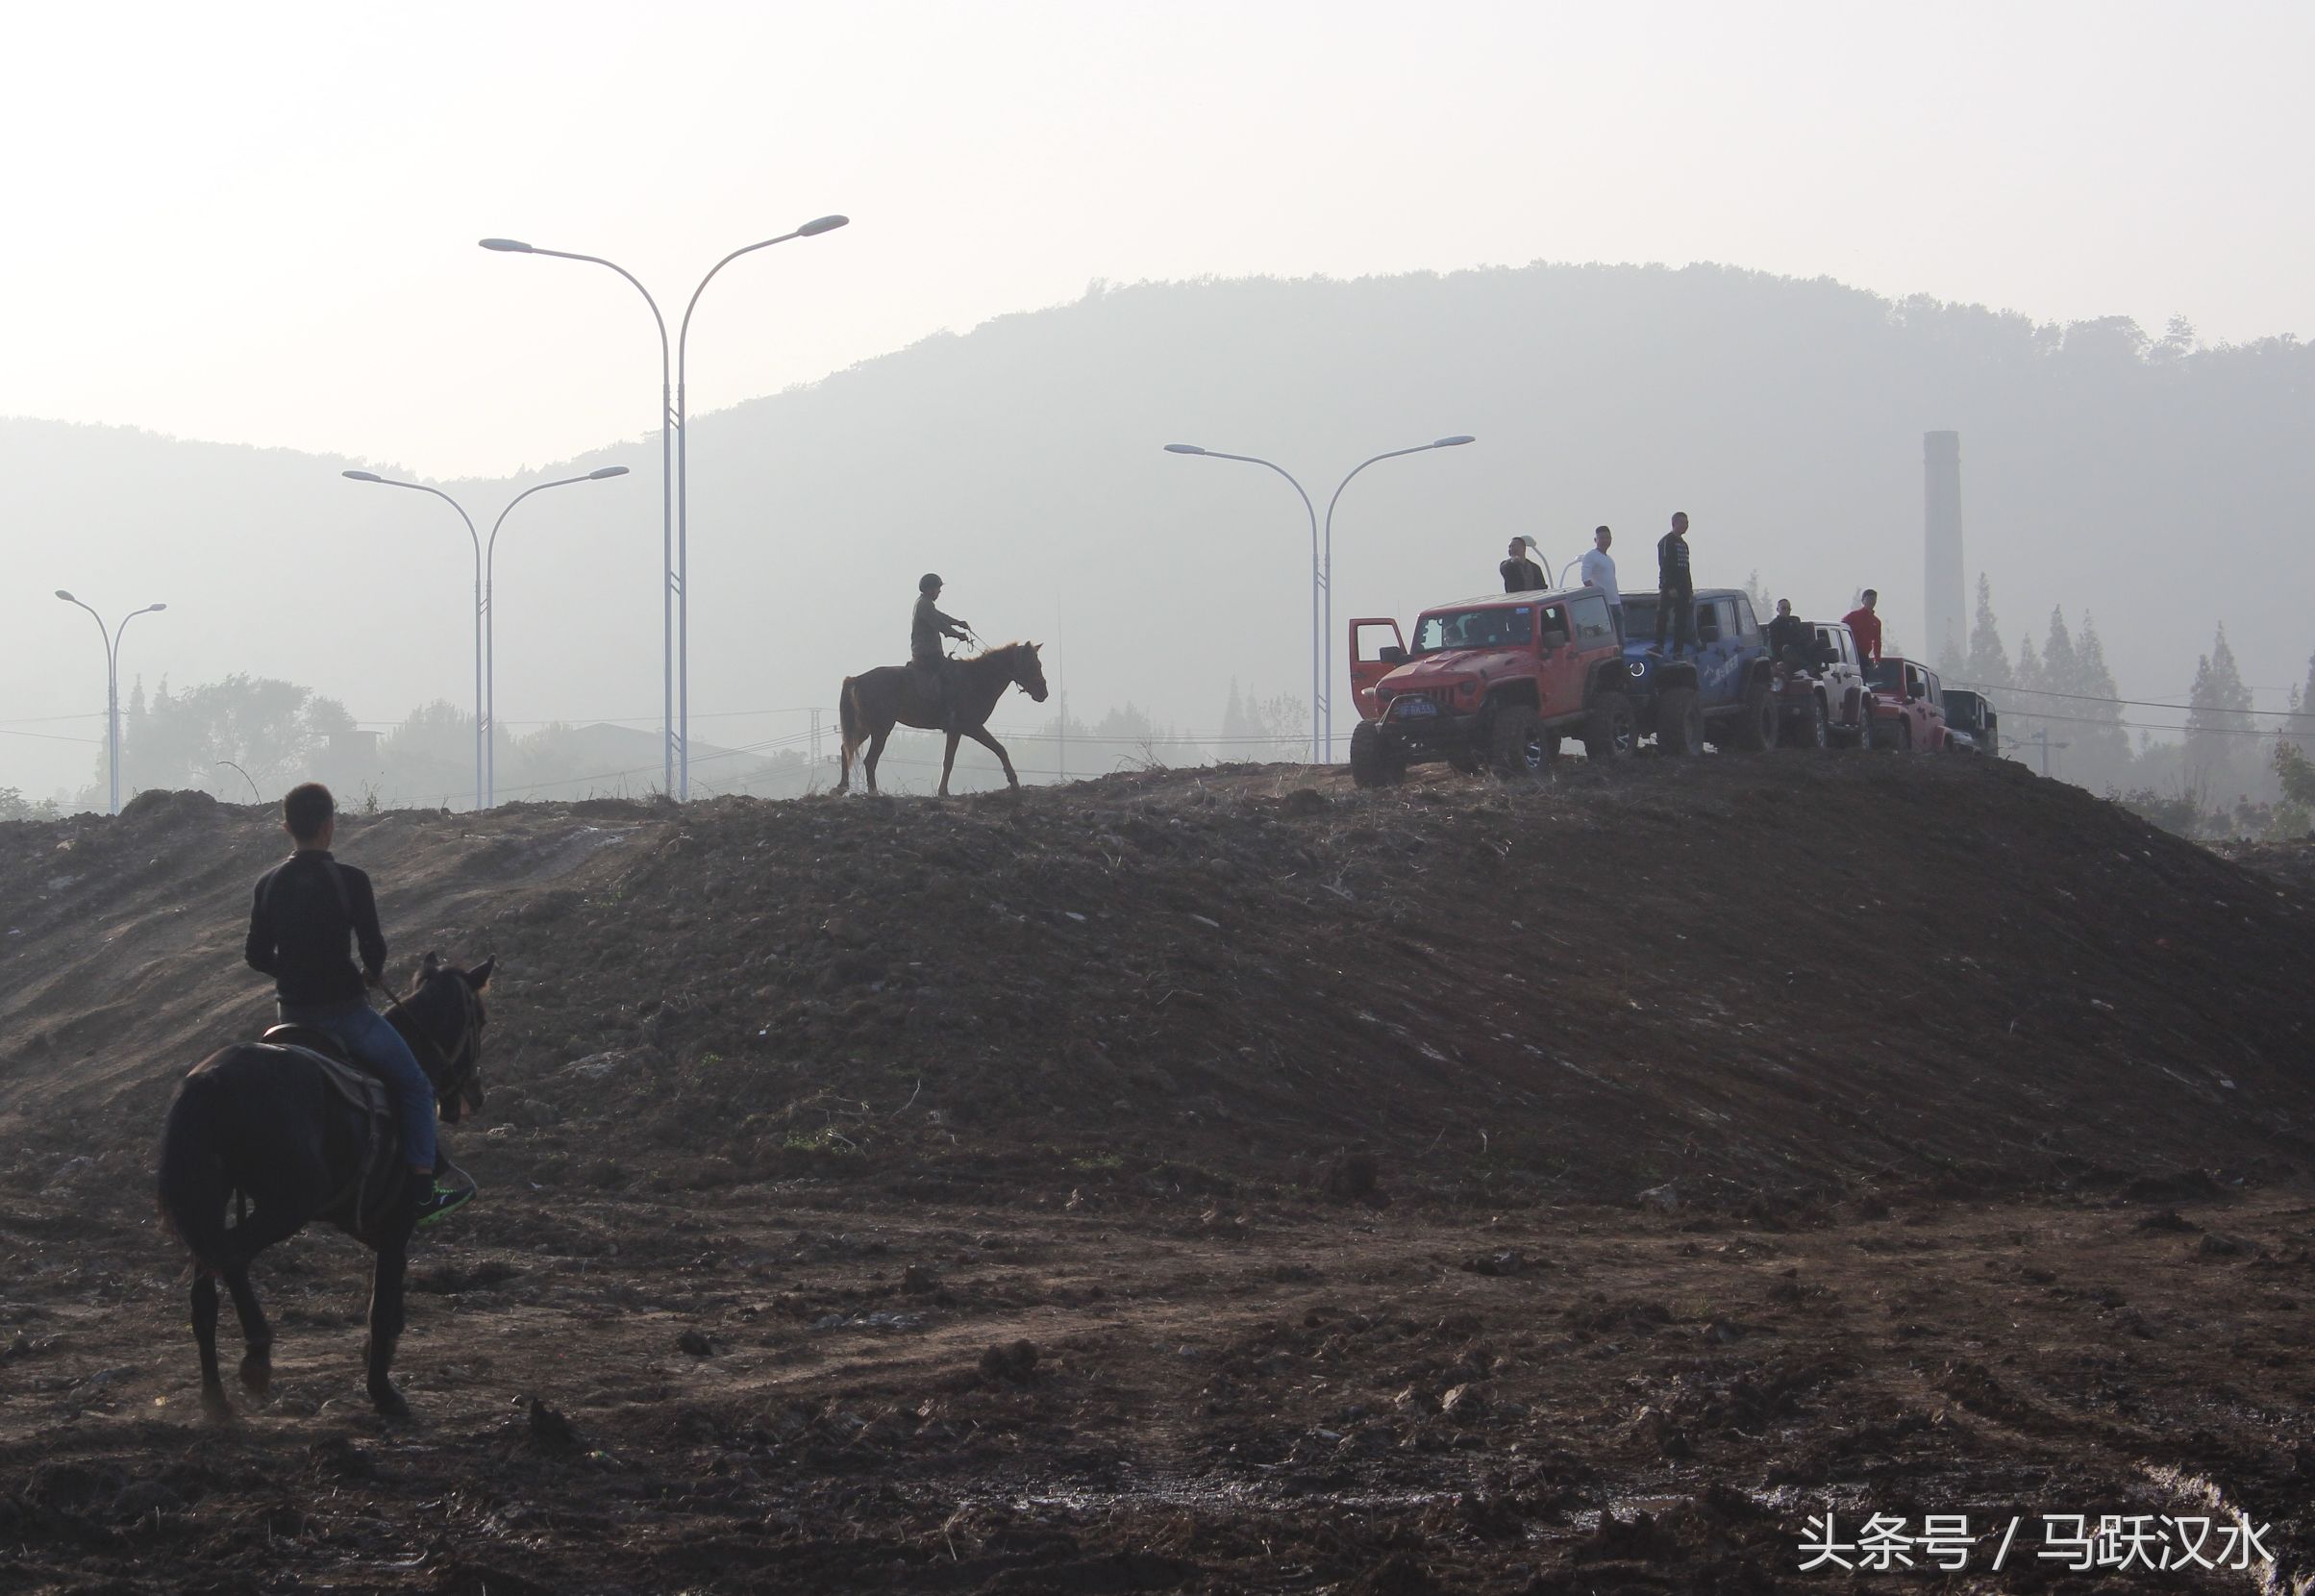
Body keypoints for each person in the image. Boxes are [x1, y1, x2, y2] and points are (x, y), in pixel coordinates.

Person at [244, 783, 467, 1226]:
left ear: (287, 828)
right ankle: (423, 1192)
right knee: (416, 1085)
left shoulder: (267, 884)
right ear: (330, 826)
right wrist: (370, 972)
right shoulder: (350, 880)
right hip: (346, 1017)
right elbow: (373, 948)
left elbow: (254, 955)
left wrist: (291, 973)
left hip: (289, 1019)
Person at [911, 572, 972, 729]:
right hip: (928, 653)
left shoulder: (924, 603)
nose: (939, 591)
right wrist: (958, 634)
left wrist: (958, 623)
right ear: (930, 589)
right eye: (937, 588)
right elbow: (939, 624)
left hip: (926, 652)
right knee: (953, 677)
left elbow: (941, 616)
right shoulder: (925, 605)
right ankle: (948, 714)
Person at [1652, 511, 1695, 656]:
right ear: (1674, 523)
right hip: (1670, 585)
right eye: (1682, 522)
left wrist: (1689, 589)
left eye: (1687, 523)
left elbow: (1686, 567)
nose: (1685, 525)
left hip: (1683, 586)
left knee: (1681, 619)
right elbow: (1664, 564)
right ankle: (1659, 645)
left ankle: (1678, 649)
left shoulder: (1683, 544)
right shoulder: (1666, 541)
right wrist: (1669, 586)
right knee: (1663, 614)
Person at [1579, 525, 1622, 637]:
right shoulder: (1590, 556)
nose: (1605, 540)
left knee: (1620, 638)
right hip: (1603, 604)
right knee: (1608, 637)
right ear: (1595, 540)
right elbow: (1585, 579)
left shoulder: (1609, 559)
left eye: (1607, 538)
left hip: (1615, 602)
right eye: (1602, 538)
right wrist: (1598, 596)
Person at [1767, 597, 1813, 671]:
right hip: (1787, 657)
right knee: (1786, 648)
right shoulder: (1774, 625)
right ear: (1778, 609)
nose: (1786, 611)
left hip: (1801, 651)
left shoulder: (1795, 621)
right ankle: (1808, 667)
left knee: (1822, 641)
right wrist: (1778, 661)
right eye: (1783, 608)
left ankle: (1812, 665)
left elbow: (1802, 638)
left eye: (1788, 609)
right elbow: (1774, 645)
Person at [1843, 588, 1883, 664]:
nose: (1871, 601)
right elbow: (1842, 625)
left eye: (1873, 599)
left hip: (1865, 656)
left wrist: (1877, 659)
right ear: (1863, 601)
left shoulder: (1876, 622)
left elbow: (1877, 642)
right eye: (1869, 599)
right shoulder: (1854, 616)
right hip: (1853, 654)